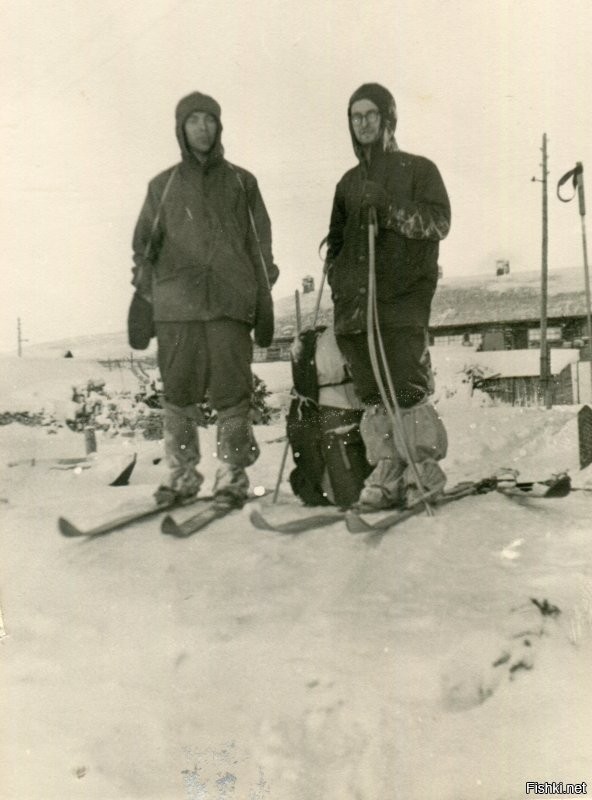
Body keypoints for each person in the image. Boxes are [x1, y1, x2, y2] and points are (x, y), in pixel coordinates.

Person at [132, 91, 278, 509]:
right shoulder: (163, 186)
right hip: (176, 312)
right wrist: (143, 296)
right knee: (178, 394)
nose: (202, 127)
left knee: (233, 394)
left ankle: (232, 478)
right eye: (193, 120)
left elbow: (260, 244)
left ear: (219, 126)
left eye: (209, 120)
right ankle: (182, 477)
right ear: (181, 129)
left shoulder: (241, 182)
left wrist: (262, 295)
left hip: (229, 307)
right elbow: (145, 247)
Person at [325, 82, 451, 510]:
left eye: (371, 115)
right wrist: (337, 275)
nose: (363, 123)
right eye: (355, 116)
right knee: (372, 391)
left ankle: (422, 467)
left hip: (400, 300)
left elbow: (438, 223)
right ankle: (388, 469)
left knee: (405, 386)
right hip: (356, 308)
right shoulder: (347, 183)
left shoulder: (419, 169)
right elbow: (336, 241)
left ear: (388, 119)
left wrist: (392, 208)